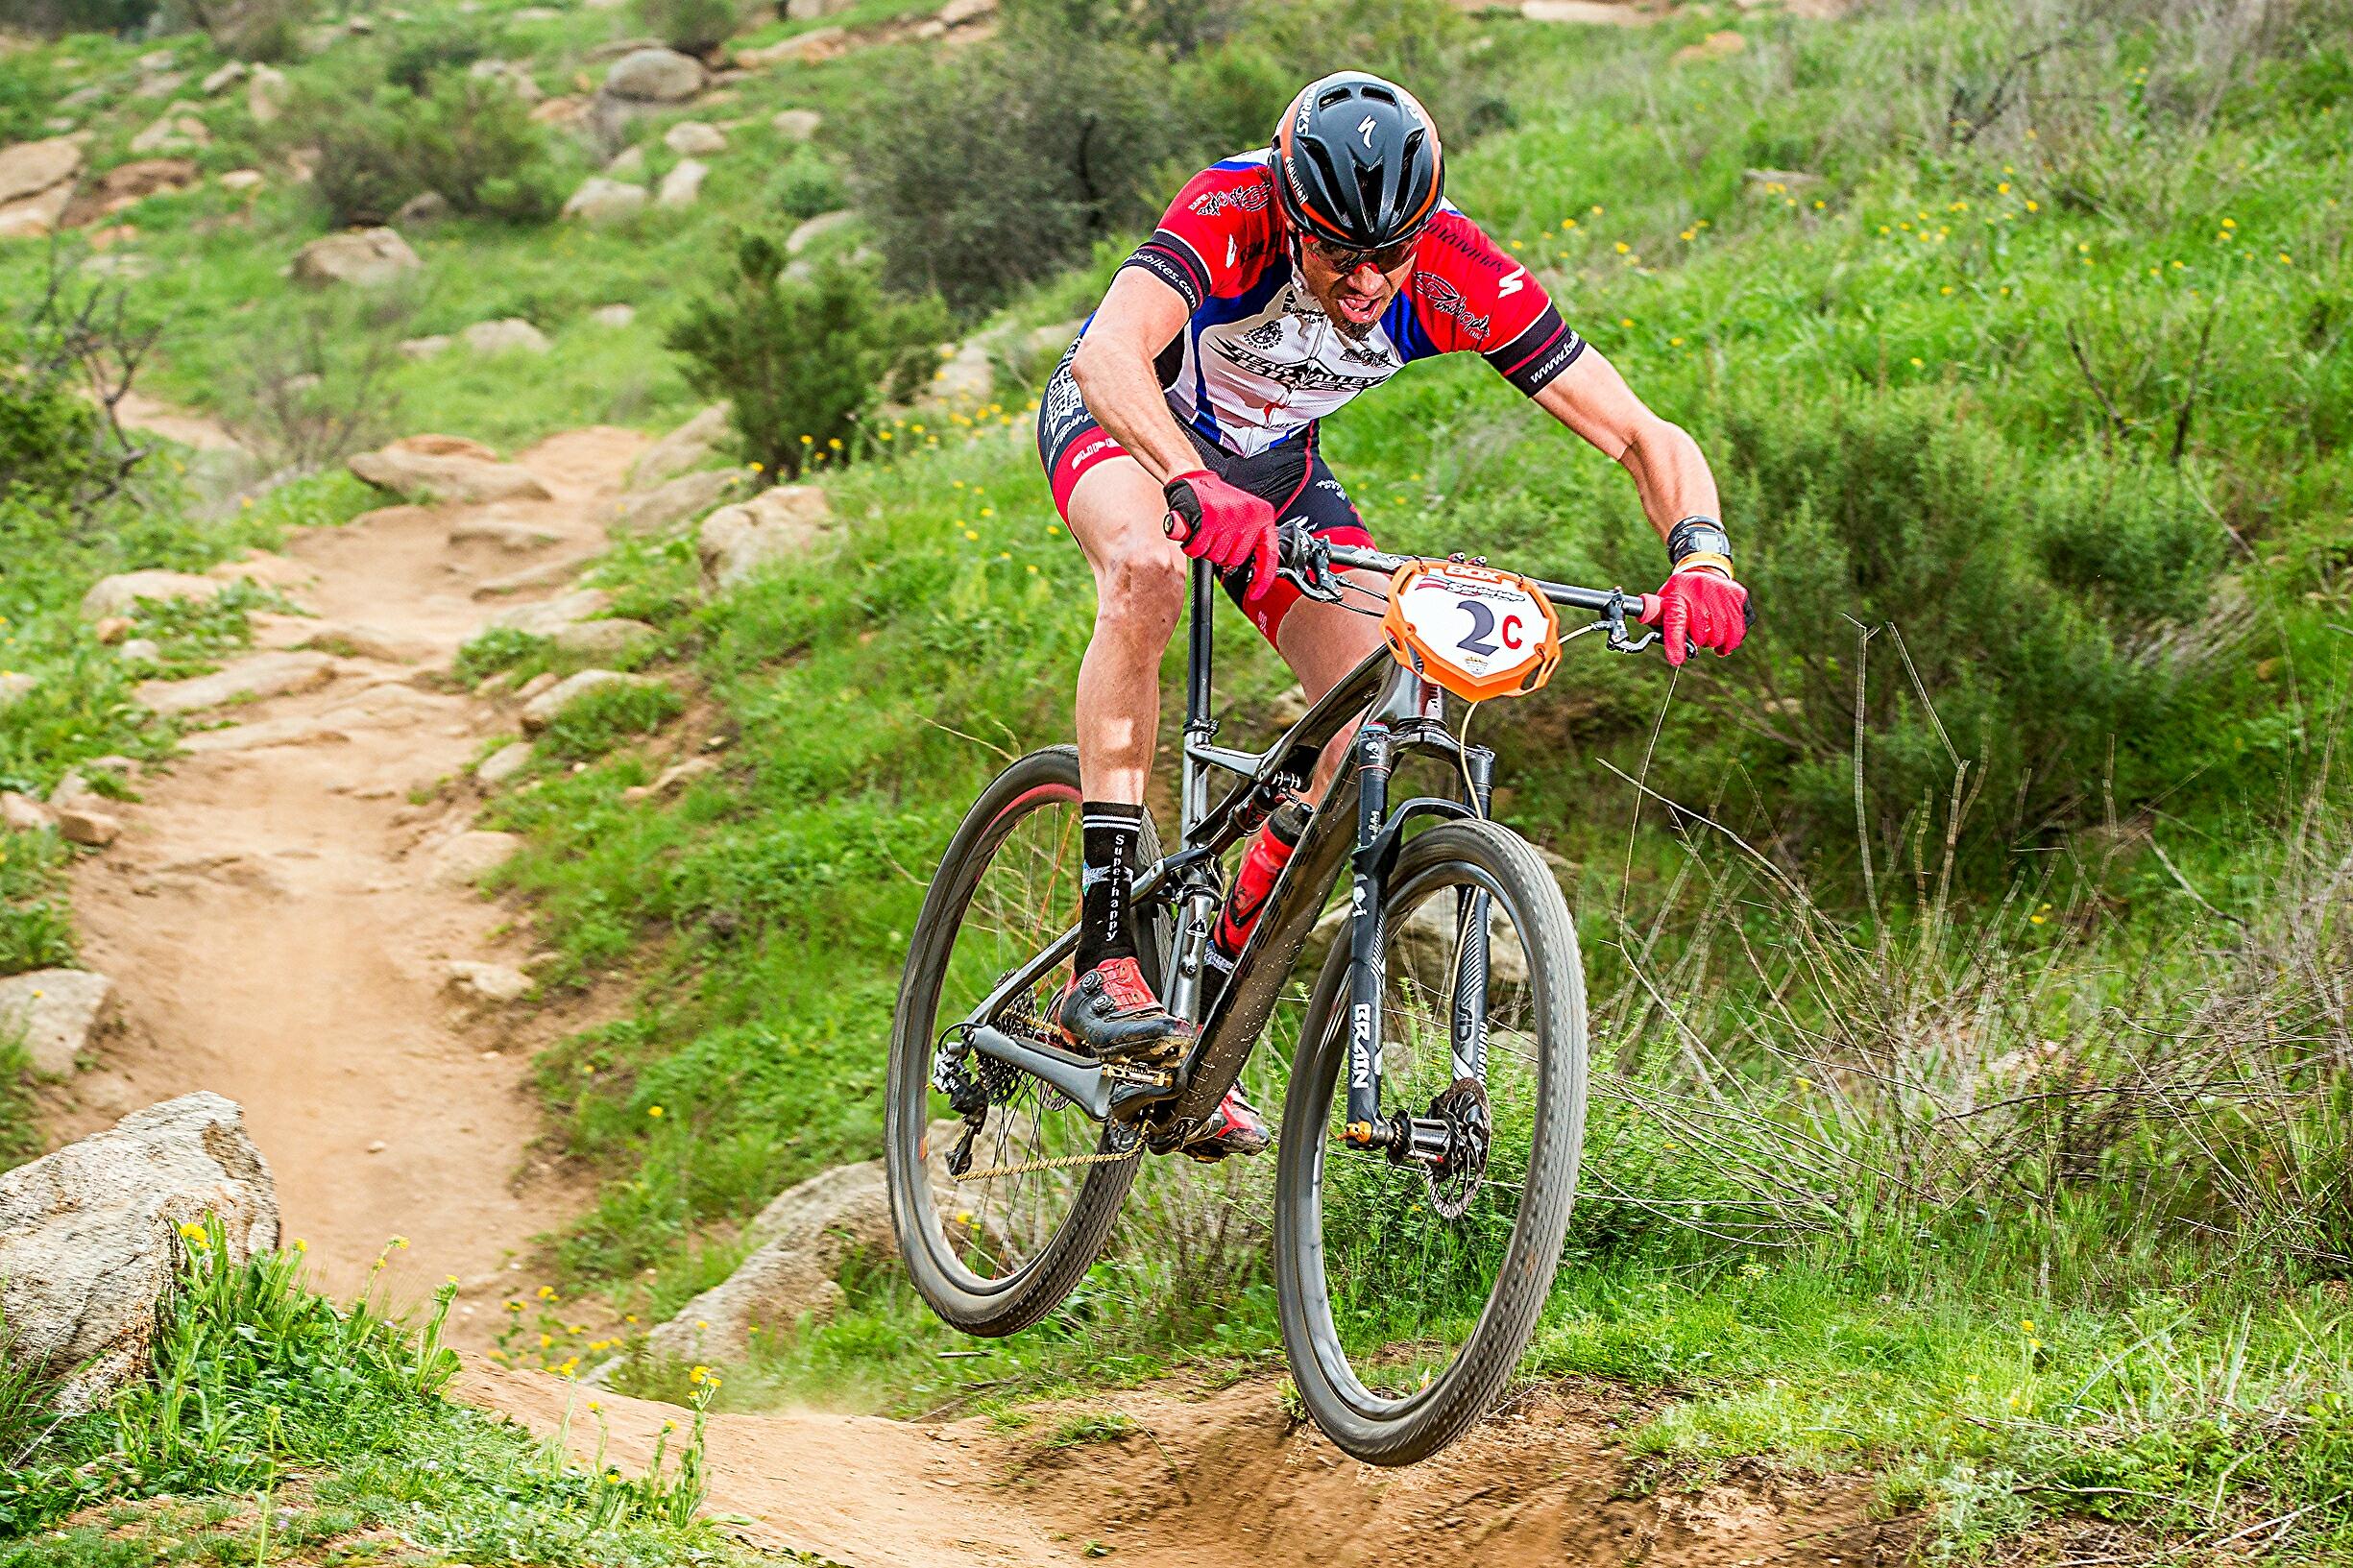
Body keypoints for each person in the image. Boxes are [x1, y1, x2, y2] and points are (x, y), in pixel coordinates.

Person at [1036, 70, 1752, 1159]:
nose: (1367, 281)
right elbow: (1106, 353)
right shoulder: (1233, 211)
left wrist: (1700, 554)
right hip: (1134, 428)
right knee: (1146, 568)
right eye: (1337, 254)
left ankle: (1212, 999)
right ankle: (1102, 954)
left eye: (1392, 253)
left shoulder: (1457, 273)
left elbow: (1642, 436)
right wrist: (1186, 478)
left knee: (1368, 703)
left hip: (1273, 472)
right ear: (1293, 214)